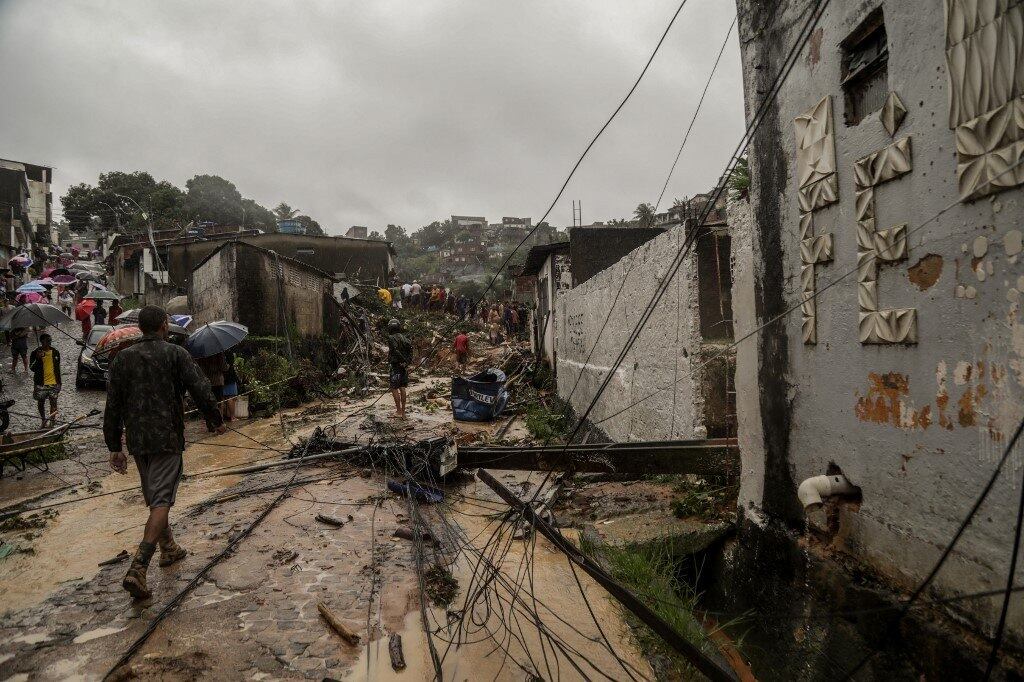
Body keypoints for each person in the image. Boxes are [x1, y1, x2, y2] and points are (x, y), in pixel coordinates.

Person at [104, 306, 225, 600]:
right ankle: (139, 567)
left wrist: (114, 447)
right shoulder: (175, 354)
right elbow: (200, 388)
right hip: (167, 439)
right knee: (161, 501)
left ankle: (168, 548)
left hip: (137, 441)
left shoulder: (122, 358)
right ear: (162, 326)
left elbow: (113, 405)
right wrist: (215, 420)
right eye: (167, 323)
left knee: (154, 497)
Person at [29, 333, 60, 428]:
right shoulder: (35, 353)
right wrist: (38, 359)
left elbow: (57, 369)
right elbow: (32, 368)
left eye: (50, 340)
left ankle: (52, 421)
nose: (49, 342)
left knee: (54, 403)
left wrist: (59, 382)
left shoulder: (55, 352)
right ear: (42, 341)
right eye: (47, 341)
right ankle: (43, 420)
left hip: (53, 383)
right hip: (41, 384)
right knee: (41, 403)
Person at [386, 318, 412, 419]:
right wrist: (407, 362)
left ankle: (398, 411)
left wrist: (402, 360)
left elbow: (395, 350)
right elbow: (410, 351)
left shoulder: (391, 338)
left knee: (394, 388)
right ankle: (403, 412)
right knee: (402, 387)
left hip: (396, 365)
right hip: (403, 366)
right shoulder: (405, 338)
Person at [222, 350, 239, 422]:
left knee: (222, 398)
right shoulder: (228, 352)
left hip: (221, 379)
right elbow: (229, 365)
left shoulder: (217, 353)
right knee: (231, 397)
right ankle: (232, 416)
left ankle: (224, 417)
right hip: (230, 378)